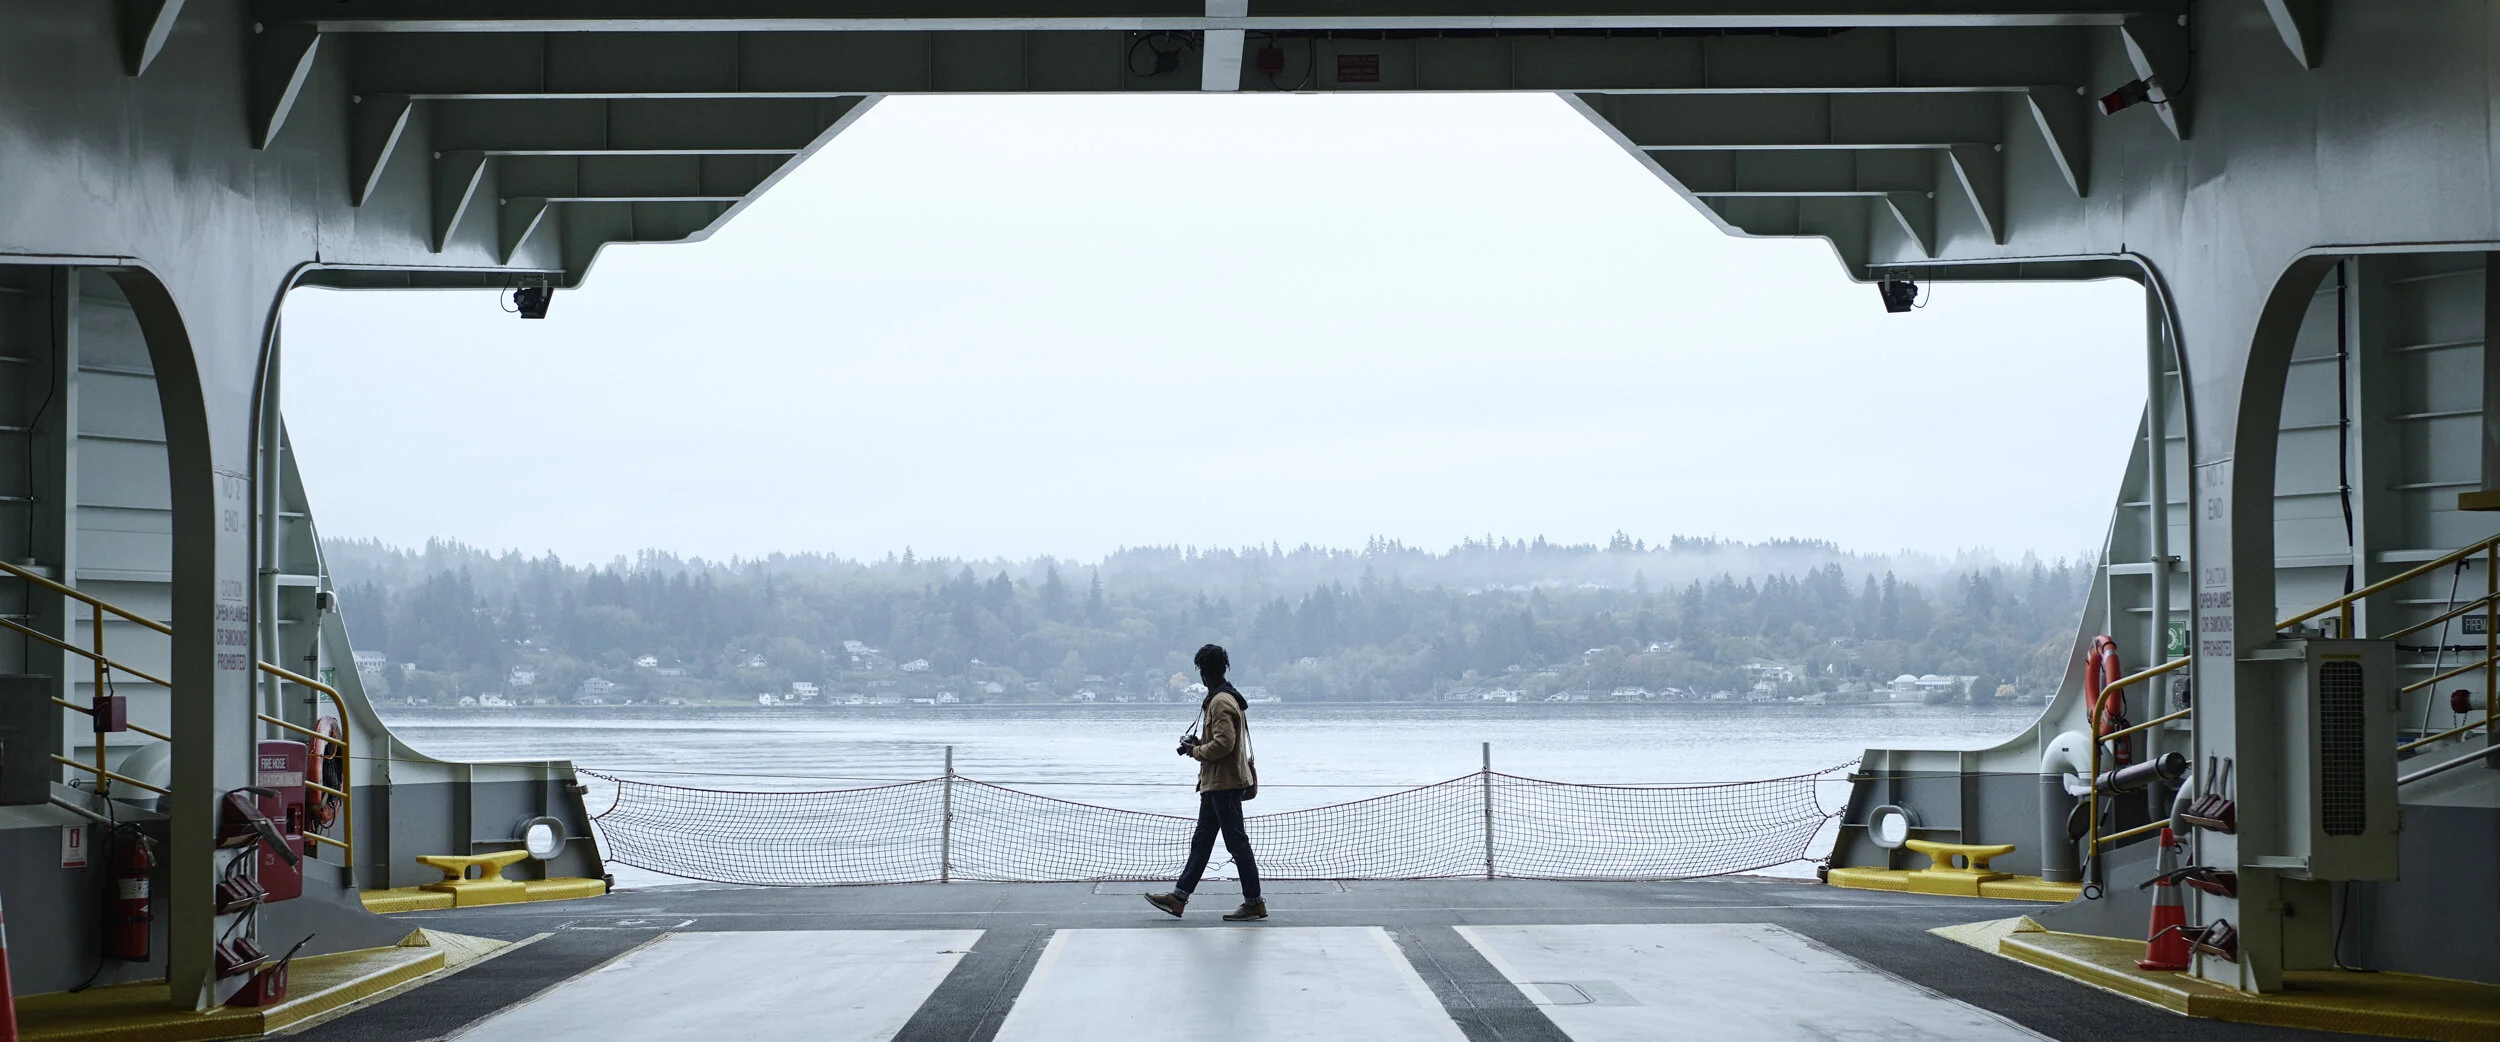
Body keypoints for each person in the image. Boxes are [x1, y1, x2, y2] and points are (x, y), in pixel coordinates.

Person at [1144, 644, 1264, 921]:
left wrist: (1195, 750)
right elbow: (1223, 742)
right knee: (1202, 842)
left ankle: (1254, 903)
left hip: (1224, 786)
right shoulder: (1226, 697)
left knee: (1237, 844)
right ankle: (1178, 898)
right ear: (1224, 668)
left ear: (1203, 672)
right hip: (1216, 785)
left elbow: (1223, 744)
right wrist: (1200, 744)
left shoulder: (1220, 702)